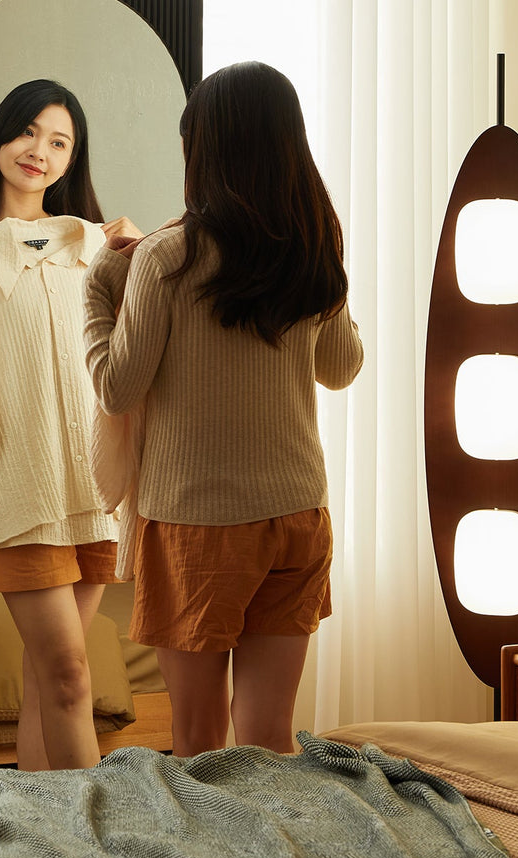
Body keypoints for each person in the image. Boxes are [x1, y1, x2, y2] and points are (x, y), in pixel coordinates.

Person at [83, 61, 364, 756]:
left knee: (201, 739)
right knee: (269, 738)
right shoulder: (313, 248)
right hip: (298, 513)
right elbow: (341, 367)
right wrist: (327, 283)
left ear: (203, 150)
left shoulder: (167, 259)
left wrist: (98, 291)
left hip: (197, 523)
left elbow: (117, 387)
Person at [0, 78, 141, 770]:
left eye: (59, 142)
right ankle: (91, 839)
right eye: (27, 133)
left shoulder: (95, 249)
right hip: (20, 490)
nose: (38, 152)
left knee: (45, 678)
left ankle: (34, 825)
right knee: (71, 675)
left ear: (71, 160)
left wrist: (142, 265)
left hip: (94, 485)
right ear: (0, 136)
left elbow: (142, 353)